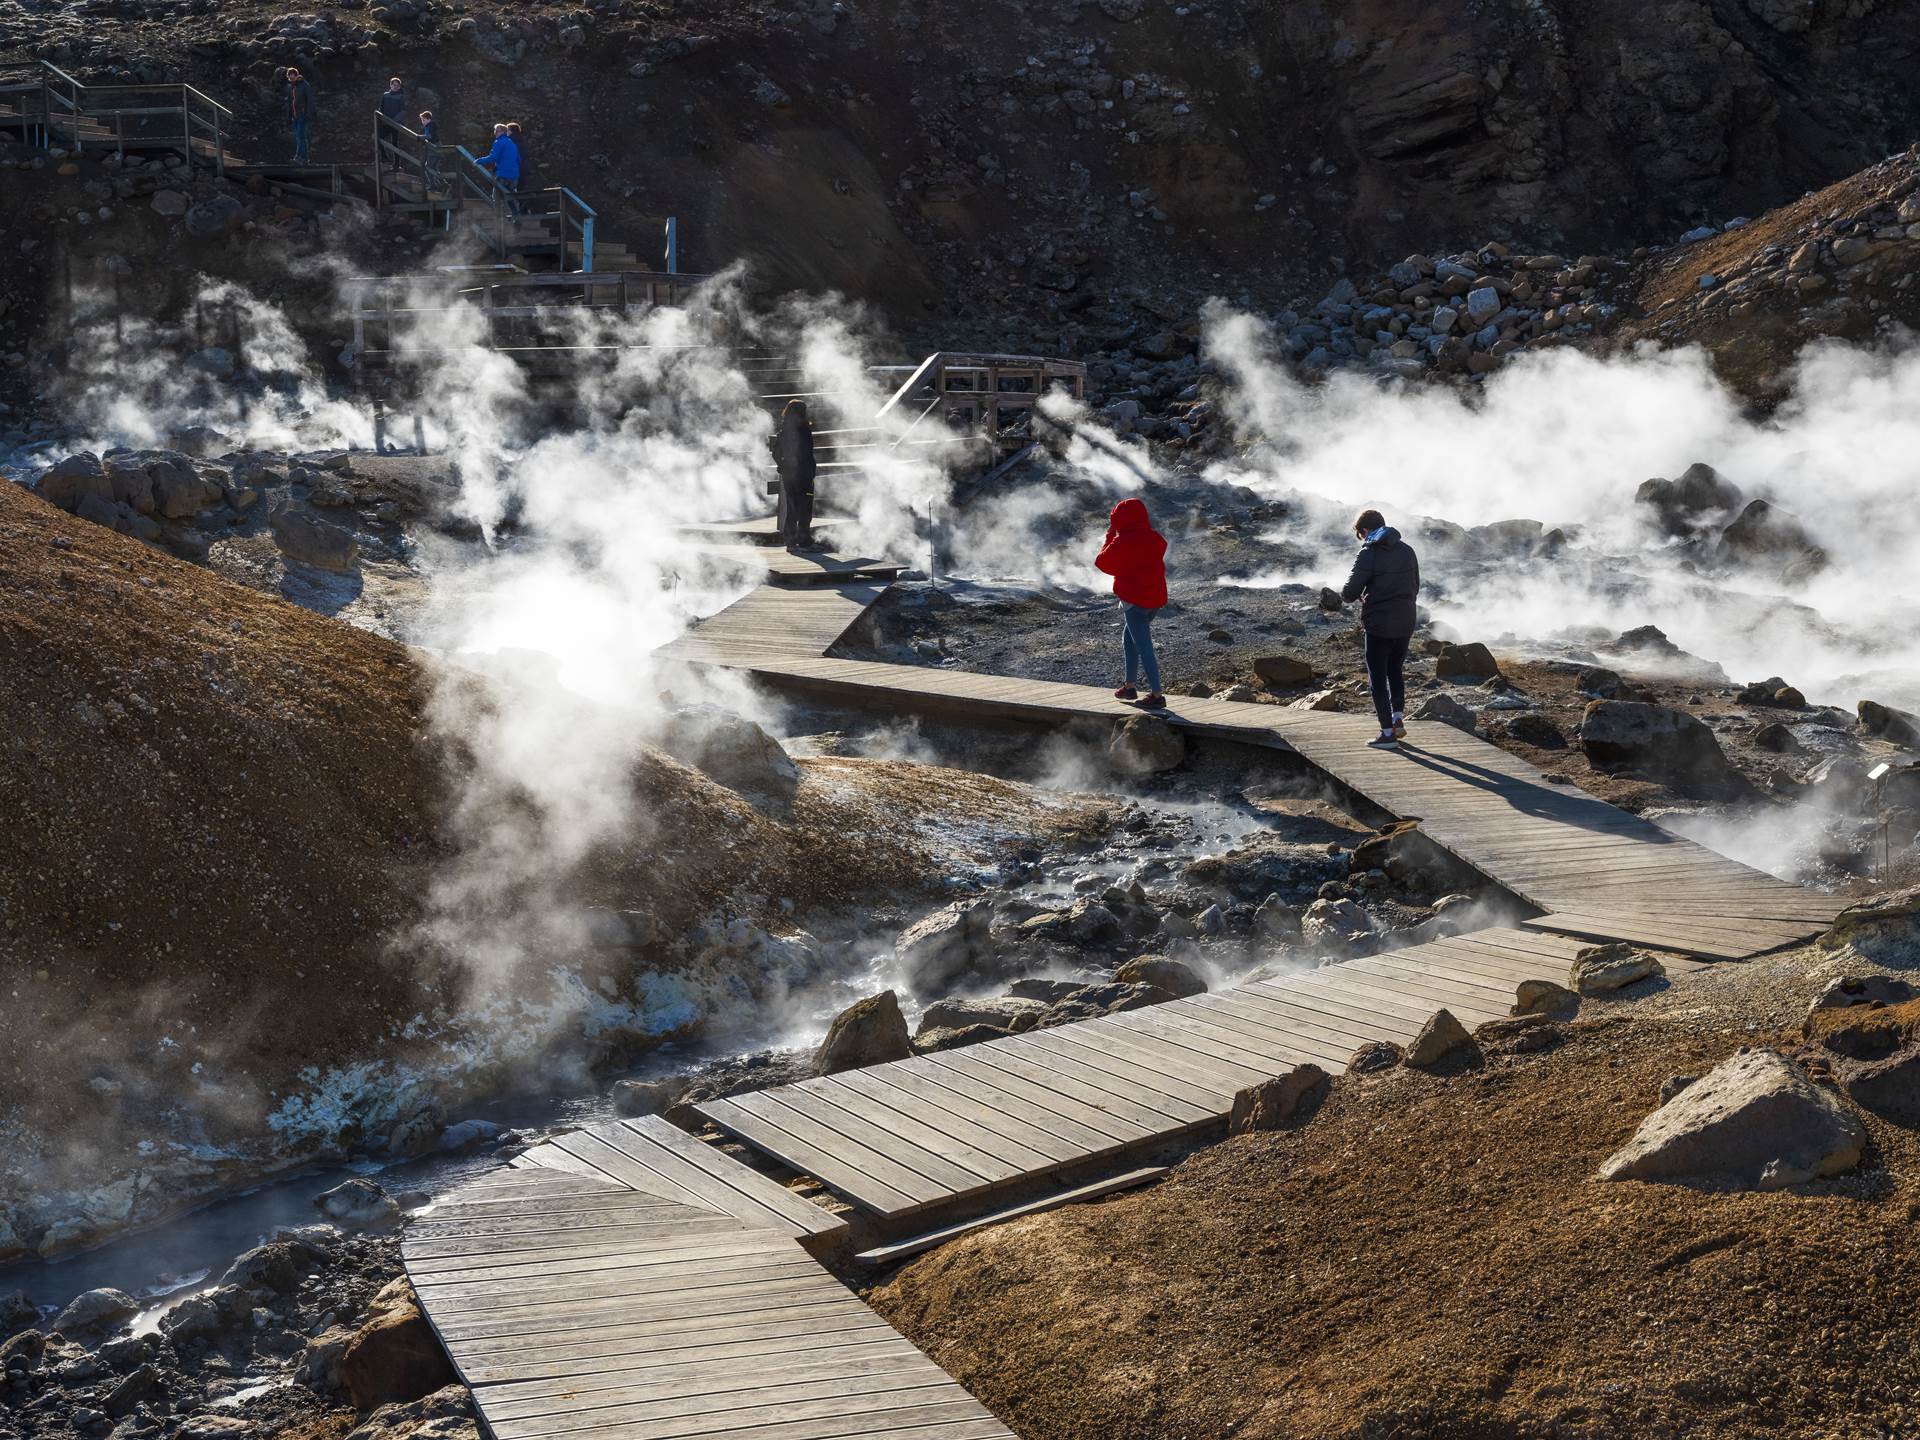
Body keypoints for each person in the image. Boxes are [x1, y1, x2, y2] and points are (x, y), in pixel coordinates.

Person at [1340, 507, 1421, 748]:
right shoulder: (1408, 550)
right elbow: (1415, 585)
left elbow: (1350, 592)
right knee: (1395, 670)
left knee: (1377, 677)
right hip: (1406, 619)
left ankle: (1387, 735)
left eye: (1361, 535)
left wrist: (1347, 595)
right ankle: (1397, 720)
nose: (1362, 539)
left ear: (1365, 531)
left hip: (1378, 623)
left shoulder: (1369, 553)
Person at [1095, 497, 1169, 711]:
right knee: (1129, 640)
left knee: (1144, 646)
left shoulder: (1123, 542)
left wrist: (1110, 534)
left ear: (1120, 521)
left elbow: (1101, 561)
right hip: (1153, 600)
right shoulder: (1154, 538)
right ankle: (1129, 687)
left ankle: (1157, 695)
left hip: (1134, 601)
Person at [768, 400, 817, 552]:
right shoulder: (803, 429)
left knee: (792, 508)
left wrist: (782, 466)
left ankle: (791, 542)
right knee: (804, 508)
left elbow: (776, 452)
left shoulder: (784, 429)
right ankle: (804, 542)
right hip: (804, 475)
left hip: (789, 475)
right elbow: (806, 453)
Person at [475, 122, 521, 216]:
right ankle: (516, 216)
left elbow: (493, 157)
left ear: (502, 132)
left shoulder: (499, 142)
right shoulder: (512, 143)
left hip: (503, 175)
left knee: (496, 196)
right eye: (495, 131)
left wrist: (478, 161)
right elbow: (519, 159)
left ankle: (498, 219)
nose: (495, 133)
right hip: (514, 175)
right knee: (510, 197)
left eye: (497, 131)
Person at [377, 78, 408, 170]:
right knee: (378, 138)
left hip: (395, 124)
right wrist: (380, 118)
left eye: (397, 85)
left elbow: (403, 111)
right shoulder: (385, 95)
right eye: (394, 85)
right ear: (390, 85)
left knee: (395, 143)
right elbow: (381, 108)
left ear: (399, 87)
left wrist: (395, 120)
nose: (395, 86)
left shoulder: (401, 96)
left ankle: (397, 164)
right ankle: (384, 157)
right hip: (385, 123)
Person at [287, 68, 315, 164]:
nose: (291, 76)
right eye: (289, 75)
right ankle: (304, 158)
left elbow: (310, 100)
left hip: (302, 115)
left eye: (293, 74)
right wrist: (289, 116)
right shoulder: (291, 87)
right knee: (299, 137)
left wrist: (309, 114)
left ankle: (300, 157)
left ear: (296, 75)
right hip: (295, 116)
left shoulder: (304, 85)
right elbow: (290, 103)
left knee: (300, 136)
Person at [419, 110, 443, 191]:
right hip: (435, 148)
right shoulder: (428, 126)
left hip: (434, 148)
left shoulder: (431, 125)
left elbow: (430, 136)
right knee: (434, 169)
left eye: (424, 120)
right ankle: (443, 184)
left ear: (428, 119)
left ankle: (433, 185)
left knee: (428, 167)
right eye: (422, 120)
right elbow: (428, 137)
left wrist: (420, 137)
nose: (422, 122)